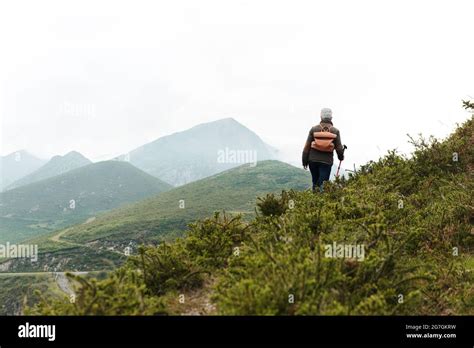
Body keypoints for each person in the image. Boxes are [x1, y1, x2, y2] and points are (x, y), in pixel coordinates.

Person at [302, 108, 344, 192]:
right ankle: (321, 201)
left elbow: (307, 147)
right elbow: (339, 148)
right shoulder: (335, 131)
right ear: (331, 118)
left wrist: (304, 161)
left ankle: (314, 201)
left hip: (312, 160)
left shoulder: (314, 129)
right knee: (323, 184)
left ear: (321, 117)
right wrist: (341, 157)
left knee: (315, 182)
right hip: (326, 161)